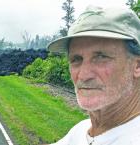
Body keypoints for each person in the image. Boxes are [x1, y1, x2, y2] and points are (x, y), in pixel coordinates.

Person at [47, 6, 140, 145]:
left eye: (101, 57)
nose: (84, 76)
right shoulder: (81, 130)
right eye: (76, 59)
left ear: (137, 66)